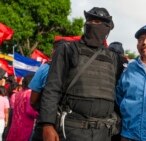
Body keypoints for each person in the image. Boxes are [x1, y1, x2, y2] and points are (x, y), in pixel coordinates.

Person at [39, 7, 123, 141]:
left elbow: (119, 94)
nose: (92, 25)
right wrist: (47, 125)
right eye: (90, 21)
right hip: (71, 130)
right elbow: (52, 89)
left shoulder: (114, 58)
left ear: (107, 28)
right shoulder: (67, 49)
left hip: (103, 133)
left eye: (98, 22)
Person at [6, 73, 38, 141]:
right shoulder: (29, 93)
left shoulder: (19, 93)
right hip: (24, 127)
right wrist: (38, 113)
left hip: (15, 125)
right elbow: (30, 111)